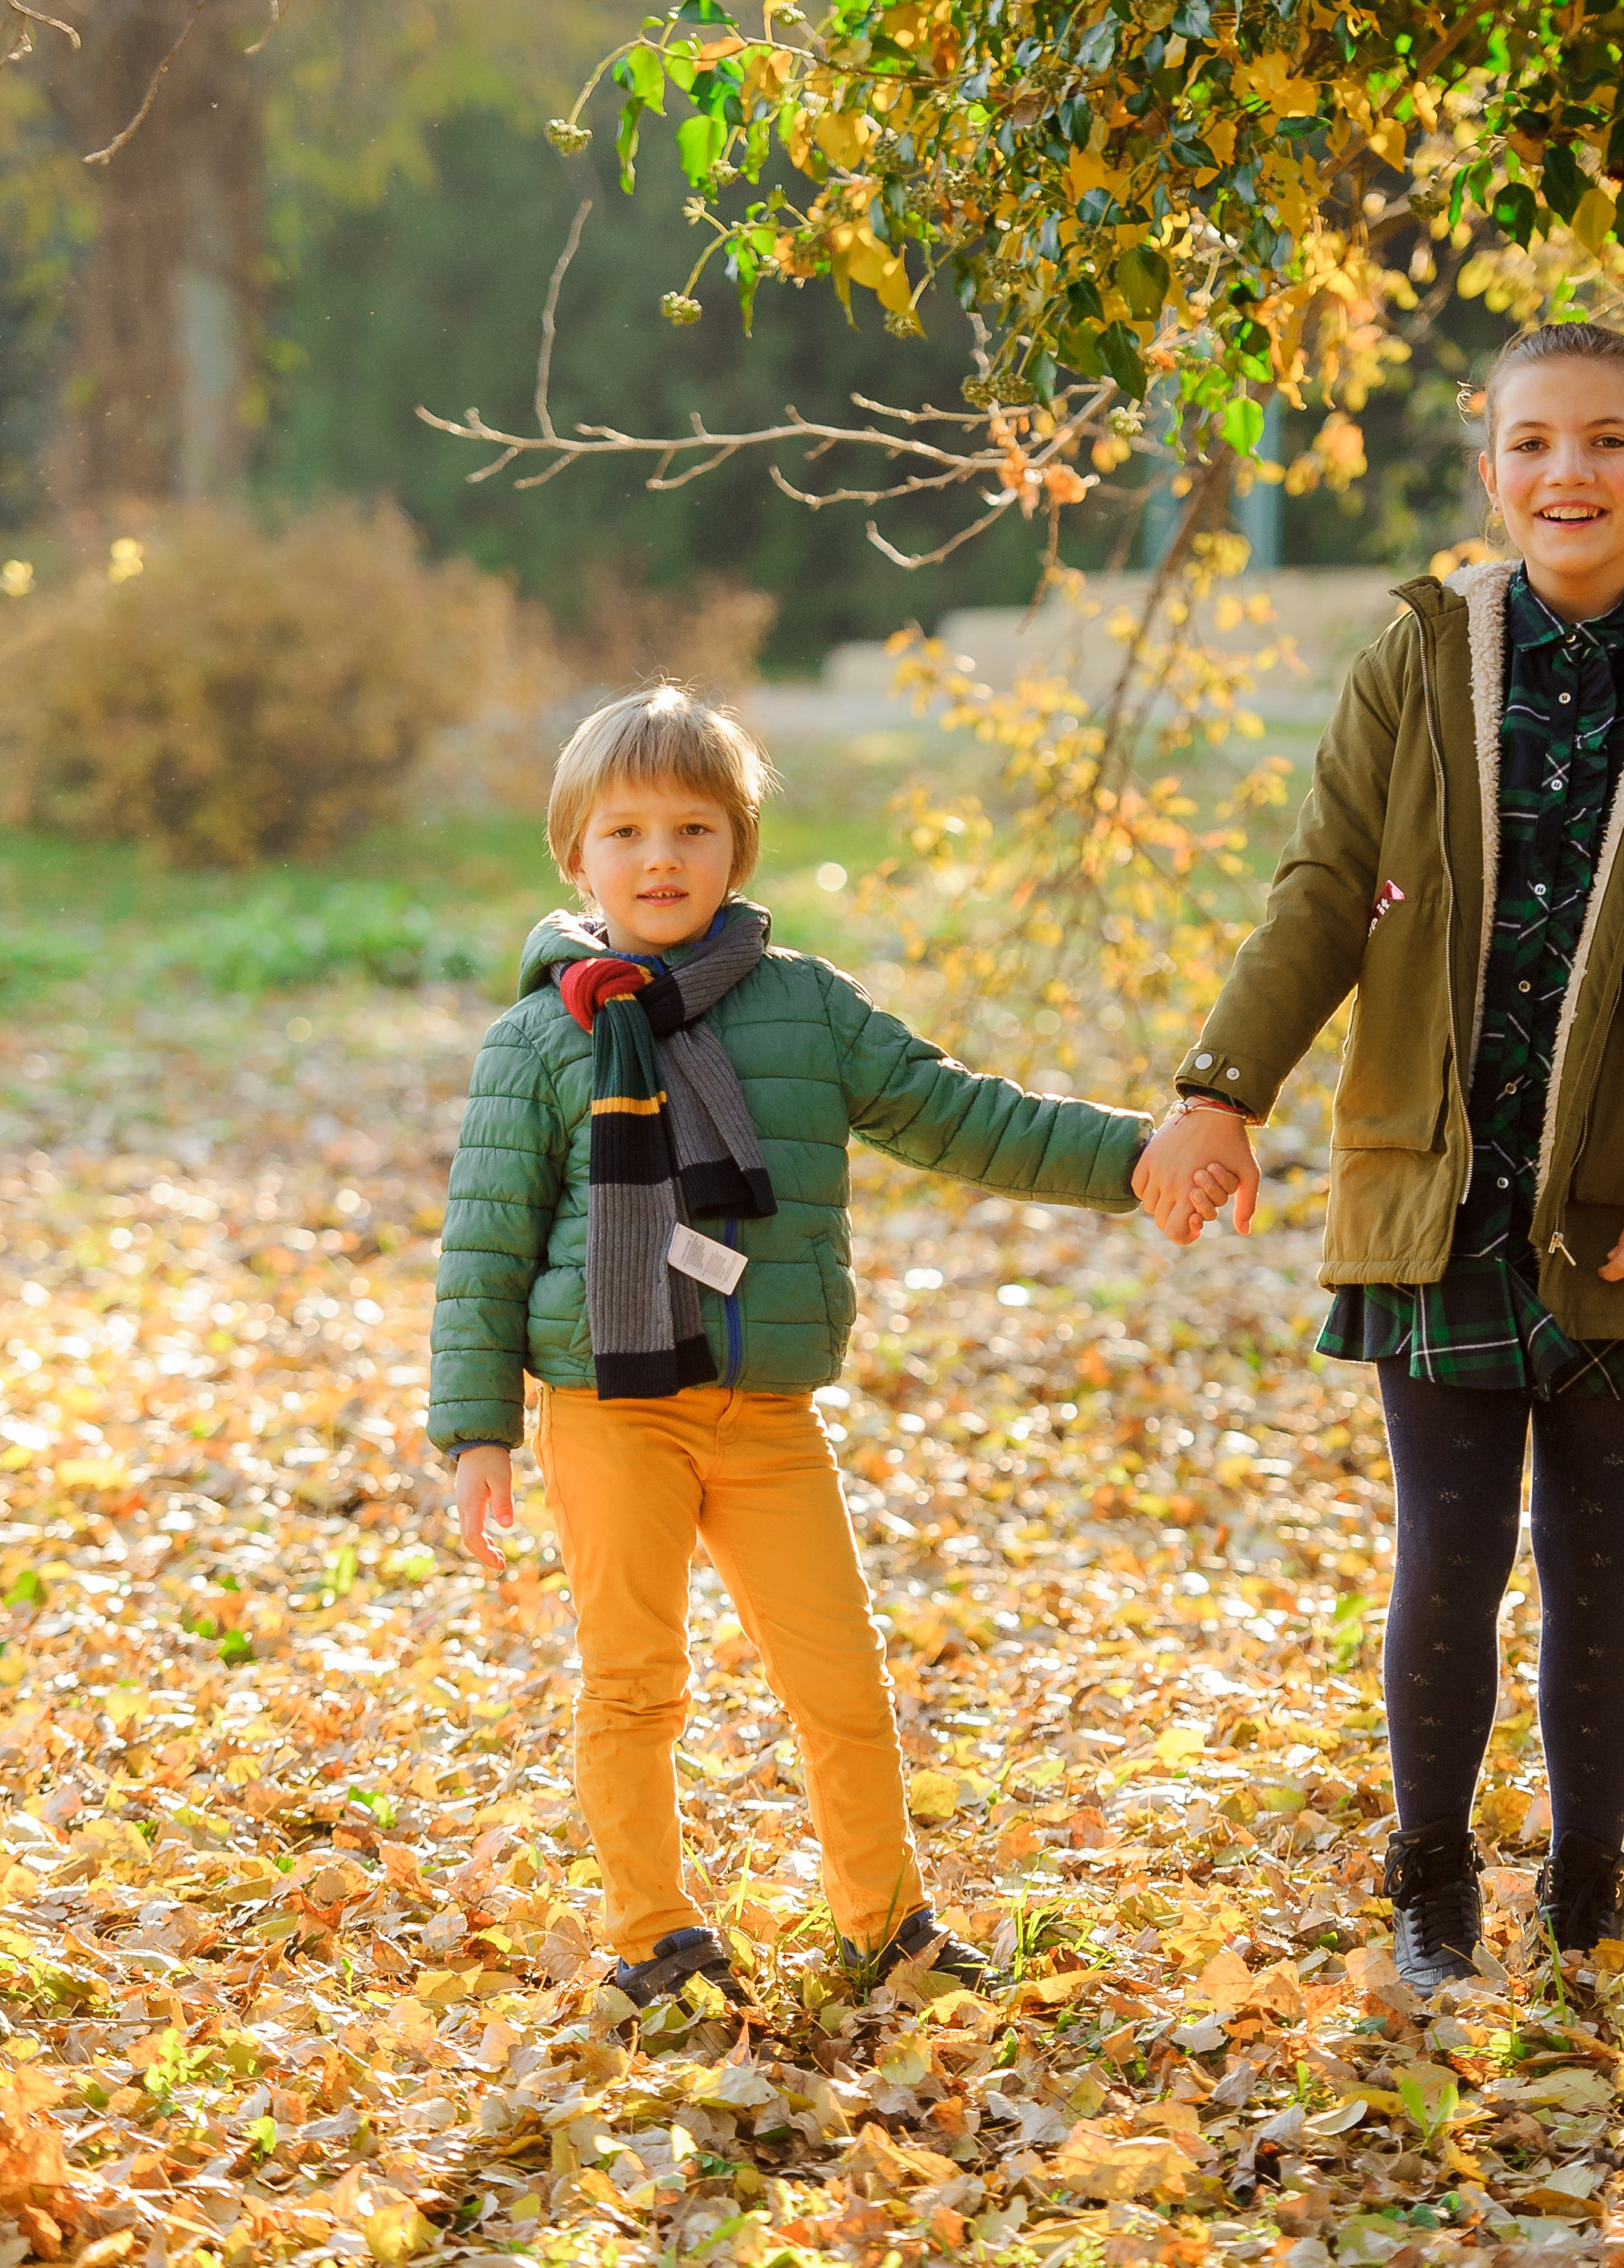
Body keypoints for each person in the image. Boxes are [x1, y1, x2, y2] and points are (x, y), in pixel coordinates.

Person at [1132, 321, 1624, 1991]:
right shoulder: (1421, 655)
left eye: (1603, 440)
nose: (1566, 472)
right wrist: (1224, 1087)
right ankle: (1429, 1871)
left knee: (1604, 1558)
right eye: (1531, 443)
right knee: (1449, 1545)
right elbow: (1323, 886)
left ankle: (1591, 1885)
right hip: (1434, 1185)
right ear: (1491, 469)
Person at [428, 683, 1150, 2011]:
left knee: (841, 1681)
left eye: (694, 830)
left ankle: (887, 1924)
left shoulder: (805, 1009)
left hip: (765, 1415)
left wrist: (1144, 1159)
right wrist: (474, 1430)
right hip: (609, 1409)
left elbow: (958, 1114)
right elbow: (483, 1243)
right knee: (633, 1682)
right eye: (628, 832)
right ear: (577, 857)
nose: (661, 858)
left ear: (736, 851)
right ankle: (656, 1933)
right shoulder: (539, 1040)